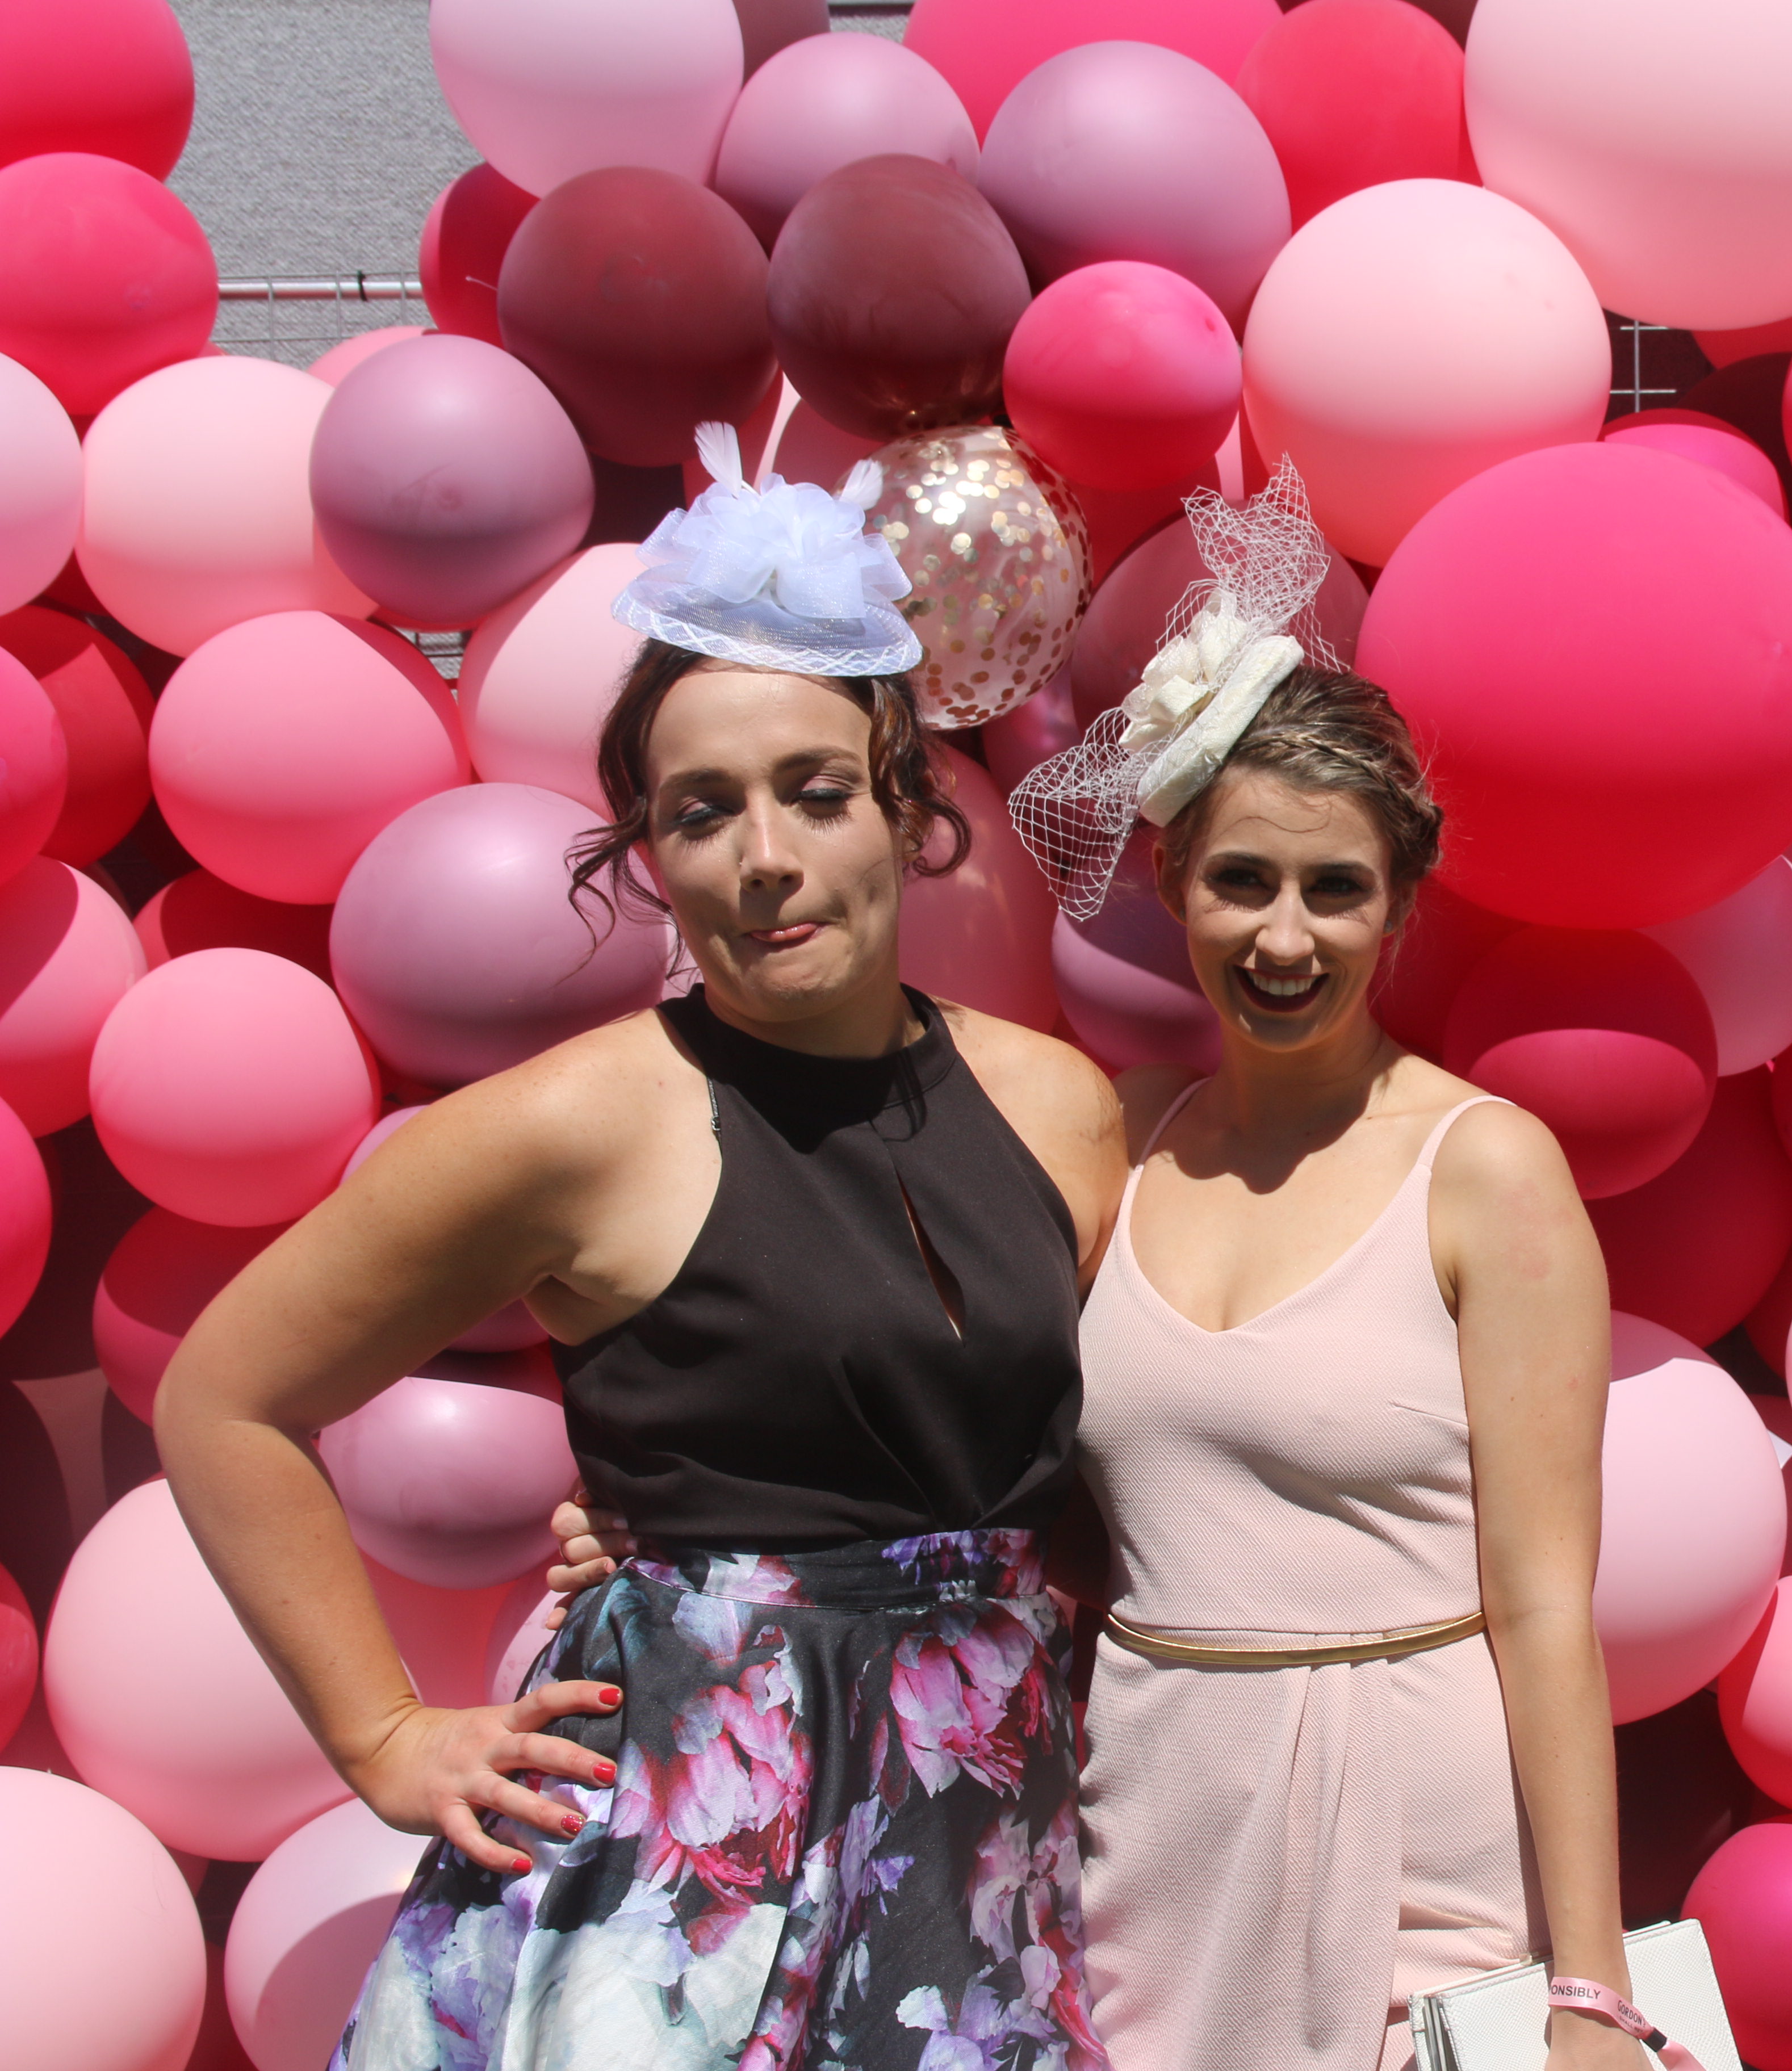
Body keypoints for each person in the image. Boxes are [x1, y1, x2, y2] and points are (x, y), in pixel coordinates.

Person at [565, 471, 1661, 2070]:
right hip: (1143, 1809)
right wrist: (678, 1528)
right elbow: (978, 1439)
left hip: (1414, 1822)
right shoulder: (1117, 1138)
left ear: (1400, 908)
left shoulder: (1486, 1169)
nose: (1284, 936)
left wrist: (1590, 1984)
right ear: (1170, 883)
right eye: (1242, 880)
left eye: (1337, 890)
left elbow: (1547, 1605)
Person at [154, 430, 1123, 2071]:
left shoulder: (1061, 1107)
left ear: (905, 811)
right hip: (678, 1874)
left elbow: (1086, 1466)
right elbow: (225, 1400)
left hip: (972, 1849)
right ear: (652, 856)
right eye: (702, 812)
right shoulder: (569, 1126)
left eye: (817, 792)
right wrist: (384, 1734)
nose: (765, 855)